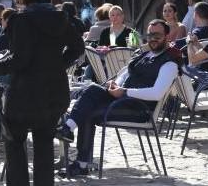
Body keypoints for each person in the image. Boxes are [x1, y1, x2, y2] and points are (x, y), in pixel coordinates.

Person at [0, 0, 84, 186]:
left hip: (25, 93)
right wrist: (58, 65)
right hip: (53, 92)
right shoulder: (61, 18)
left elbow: (20, 59)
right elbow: (78, 47)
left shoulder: (22, 20)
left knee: (14, 143)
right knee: (45, 147)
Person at [56, 19, 178, 177]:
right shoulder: (145, 55)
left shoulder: (169, 63)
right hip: (122, 101)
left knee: (88, 111)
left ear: (167, 36)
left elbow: (157, 93)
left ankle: (81, 162)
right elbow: (126, 74)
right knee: (93, 89)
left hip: (140, 110)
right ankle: (68, 130)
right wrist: (115, 85)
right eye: (150, 35)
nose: (153, 39)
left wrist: (125, 91)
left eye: (157, 35)